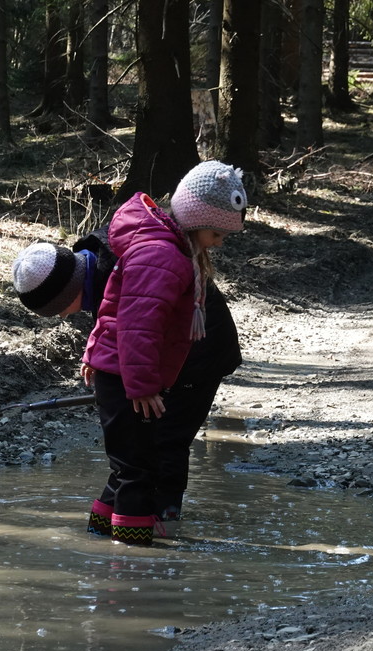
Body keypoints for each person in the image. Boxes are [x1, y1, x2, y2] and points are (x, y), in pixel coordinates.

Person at [12, 160, 246, 546]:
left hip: (197, 354)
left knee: (161, 447)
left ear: (70, 294)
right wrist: (102, 360)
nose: (68, 318)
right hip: (150, 363)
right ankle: (121, 534)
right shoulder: (135, 249)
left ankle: (158, 526)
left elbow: (138, 327)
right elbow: (119, 320)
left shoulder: (146, 256)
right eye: (218, 234)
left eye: (63, 311)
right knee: (136, 459)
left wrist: (138, 385)